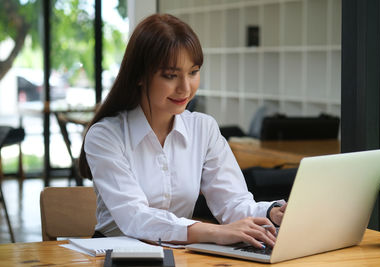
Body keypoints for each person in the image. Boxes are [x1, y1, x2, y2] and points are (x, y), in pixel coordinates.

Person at [79, 13, 286, 249]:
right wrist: (215, 232)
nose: (185, 88)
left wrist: (272, 212)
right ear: (139, 76)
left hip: (179, 254)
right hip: (116, 253)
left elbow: (232, 203)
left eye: (193, 72)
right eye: (170, 76)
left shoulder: (203, 128)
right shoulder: (105, 136)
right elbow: (135, 217)